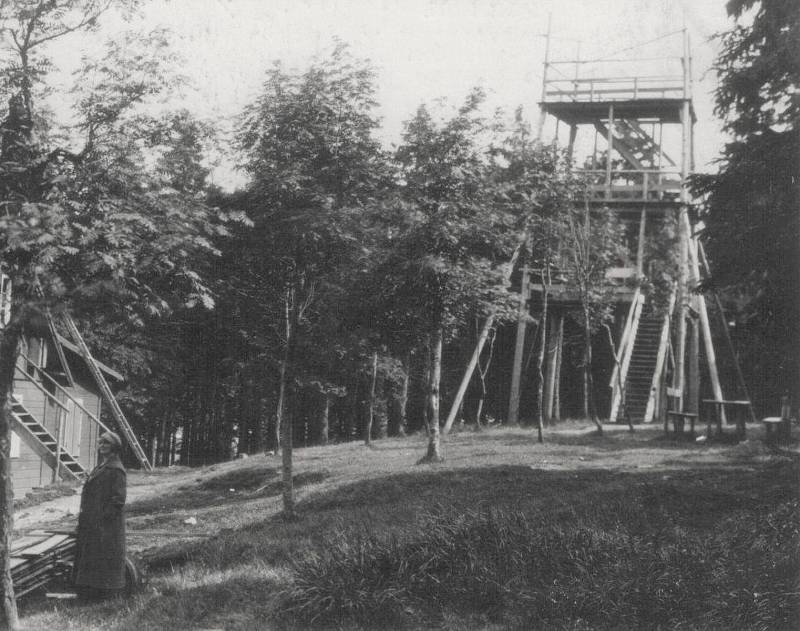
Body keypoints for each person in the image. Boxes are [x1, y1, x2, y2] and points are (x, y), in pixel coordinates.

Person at [73, 431, 127, 600]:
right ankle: (91, 593)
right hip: (93, 522)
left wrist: (103, 519)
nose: (102, 446)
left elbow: (118, 499)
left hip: (106, 526)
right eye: (101, 443)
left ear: (114, 447)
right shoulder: (102, 466)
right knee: (92, 556)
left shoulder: (116, 469)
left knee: (103, 558)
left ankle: (105, 595)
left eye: (106, 443)